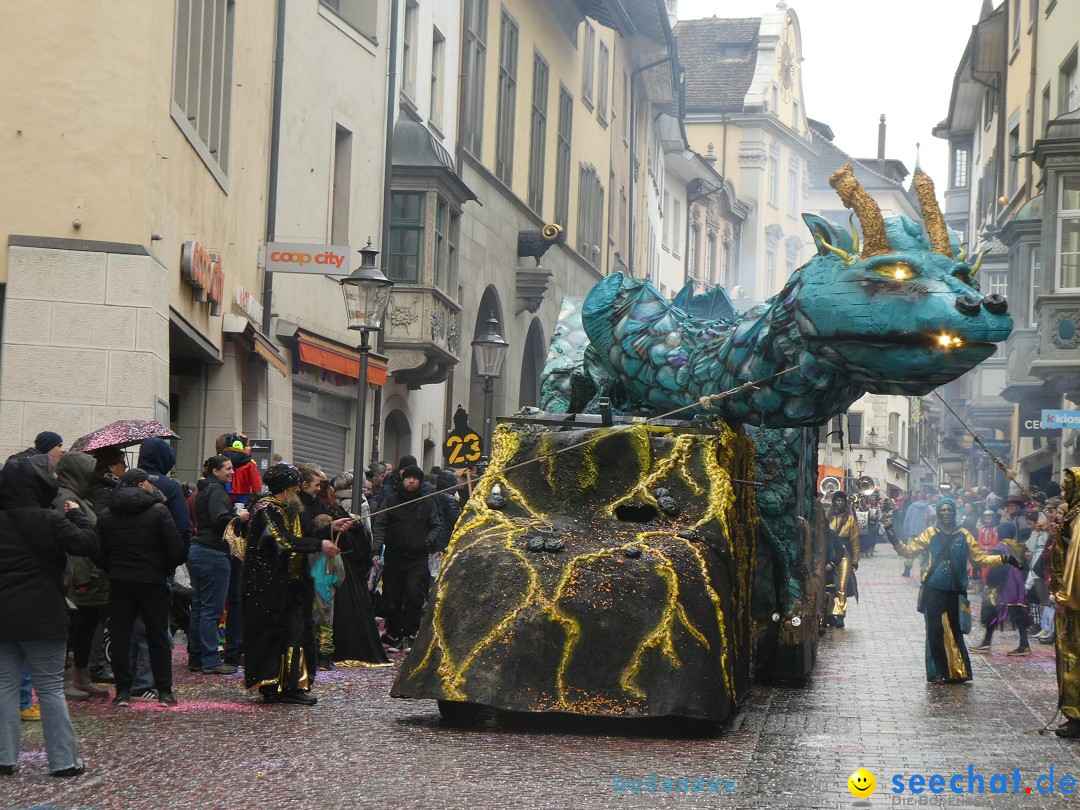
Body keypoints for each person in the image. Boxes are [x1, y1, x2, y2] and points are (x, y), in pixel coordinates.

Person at [0, 455, 98, 777]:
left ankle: (4, 757)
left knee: (4, 686)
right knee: (50, 689)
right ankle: (64, 761)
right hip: (43, 615)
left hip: (3, 616)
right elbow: (88, 543)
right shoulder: (49, 519)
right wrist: (78, 516)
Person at [243, 464, 351, 705]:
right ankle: (271, 685)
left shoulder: (288, 508)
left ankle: (293, 685)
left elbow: (302, 531)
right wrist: (319, 545)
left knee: (297, 634)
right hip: (269, 585)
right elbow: (281, 540)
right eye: (294, 488)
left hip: (293, 583)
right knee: (273, 636)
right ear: (286, 489)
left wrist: (330, 527)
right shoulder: (265, 509)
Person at [889, 498, 1017, 684]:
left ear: (955, 513)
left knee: (956, 629)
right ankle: (938, 672)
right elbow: (909, 551)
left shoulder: (964, 534)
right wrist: (892, 536)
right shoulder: (930, 533)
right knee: (934, 630)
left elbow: (981, 558)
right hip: (933, 588)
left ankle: (956, 671)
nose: (946, 513)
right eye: (943, 510)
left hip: (956, 590)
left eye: (950, 510)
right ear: (938, 513)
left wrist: (1005, 559)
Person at [96, 469, 186, 707]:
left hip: (120, 581)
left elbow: (99, 552)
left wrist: (113, 568)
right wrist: (160, 568)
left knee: (121, 636)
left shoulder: (106, 514)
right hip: (151, 581)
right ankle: (164, 690)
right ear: (139, 485)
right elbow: (176, 549)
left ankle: (123, 690)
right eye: (148, 482)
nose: (151, 485)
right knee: (157, 636)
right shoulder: (158, 511)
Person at [51, 452, 110, 700]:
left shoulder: (77, 496)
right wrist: (81, 579)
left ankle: (81, 677)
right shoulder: (65, 498)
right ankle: (68, 680)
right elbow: (74, 544)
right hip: (78, 579)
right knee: (73, 630)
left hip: (89, 577)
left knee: (85, 629)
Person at [372, 465, 443, 652]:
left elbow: (436, 525)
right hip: (394, 556)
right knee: (392, 597)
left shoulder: (427, 503)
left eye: (415, 478)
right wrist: (376, 551)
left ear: (420, 481)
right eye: (407, 478)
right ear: (402, 480)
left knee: (414, 594)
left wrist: (428, 541)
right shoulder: (392, 501)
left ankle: (411, 633)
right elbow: (380, 526)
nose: (411, 481)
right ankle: (394, 633)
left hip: (417, 557)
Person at [189, 455, 248, 675]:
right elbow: (219, 518)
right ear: (215, 471)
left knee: (200, 607)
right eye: (228, 469)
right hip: (212, 551)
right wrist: (238, 516)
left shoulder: (204, 490)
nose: (232, 472)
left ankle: (196, 656)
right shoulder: (216, 491)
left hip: (199, 551)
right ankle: (210, 660)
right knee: (211, 610)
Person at [970, 521, 1030, 656]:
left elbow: (997, 566)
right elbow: (1025, 564)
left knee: (991, 611)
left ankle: (986, 642)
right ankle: (1024, 644)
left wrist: (990, 583)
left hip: (1003, 586)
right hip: (1017, 584)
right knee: (1018, 612)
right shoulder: (1017, 546)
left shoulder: (1000, 547)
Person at [1051, 468, 1080, 738]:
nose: (1064, 491)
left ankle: (1076, 717)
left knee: (1073, 657)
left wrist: (1064, 597)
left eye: (1068, 486)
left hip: (1075, 607)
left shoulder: (1078, 518)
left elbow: (1074, 562)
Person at [824, 492, 859, 629]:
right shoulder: (827, 518)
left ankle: (839, 614)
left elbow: (855, 541)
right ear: (833, 502)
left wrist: (855, 560)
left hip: (844, 555)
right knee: (829, 586)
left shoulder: (850, 520)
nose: (839, 503)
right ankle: (828, 613)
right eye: (837, 500)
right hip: (829, 554)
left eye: (842, 500)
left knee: (842, 586)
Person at [901, 491, 931, 577]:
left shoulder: (912, 506)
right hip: (925, 534)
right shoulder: (928, 507)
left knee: (910, 551)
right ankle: (923, 570)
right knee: (924, 553)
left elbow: (907, 519)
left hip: (912, 532)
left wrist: (905, 531)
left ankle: (907, 570)